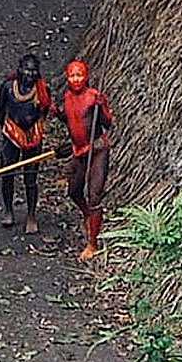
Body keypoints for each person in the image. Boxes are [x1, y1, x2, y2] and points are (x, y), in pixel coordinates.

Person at [58, 60, 112, 261]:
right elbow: (70, 120)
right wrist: (57, 113)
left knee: (94, 195)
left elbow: (108, 123)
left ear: (86, 76)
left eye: (79, 75)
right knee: (73, 191)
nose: (76, 79)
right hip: (79, 151)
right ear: (67, 78)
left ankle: (93, 243)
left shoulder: (93, 97)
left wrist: (103, 106)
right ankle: (88, 214)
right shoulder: (67, 97)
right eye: (72, 75)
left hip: (97, 149)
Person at [0, 54, 53, 234]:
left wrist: (36, 128)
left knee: (30, 177)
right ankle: (8, 210)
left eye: (34, 71)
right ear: (19, 70)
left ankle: (31, 215)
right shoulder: (8, 87)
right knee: (7, 173)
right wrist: (8, 128)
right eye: (27, 70)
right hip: (12, 133)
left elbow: (46, 109)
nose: (30, 74)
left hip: (32, 135)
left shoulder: (42, 90)